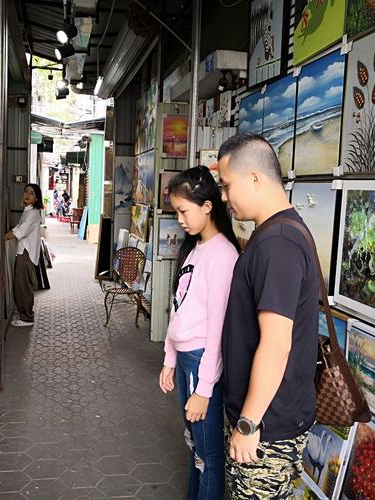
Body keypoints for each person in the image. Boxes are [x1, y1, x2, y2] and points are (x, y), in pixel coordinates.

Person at [217, 134, 319, 498]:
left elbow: (276, 346)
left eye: (227, 186)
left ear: (255, 178)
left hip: (265, 427)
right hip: (268, 421)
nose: (224, 197)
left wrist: (247, 423)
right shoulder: (279, 233)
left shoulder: (278, 244)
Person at [158, 166, 240, 499]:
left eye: (183, 211)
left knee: (209, 457)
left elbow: (219, 327)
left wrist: (204, 389)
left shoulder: (223, 255)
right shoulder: (195, 249)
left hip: (202, 364)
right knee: (196, 449)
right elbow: (179, 306)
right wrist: (169, 357)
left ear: (207, 206)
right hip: (188, 361)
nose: (179, 219)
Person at [5, 183, 44, 327]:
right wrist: (9, 233)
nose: (27, 195)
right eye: (26, 192)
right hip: (22, 252)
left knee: (23, 286)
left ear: (36, 198)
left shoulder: (33, 213)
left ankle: (27, 318)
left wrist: (6, 237)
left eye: (31, 193)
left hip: (26, 253)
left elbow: (21, 231)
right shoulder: (28, 210)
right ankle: (24, 314)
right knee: (20, 284)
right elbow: (19, 227)